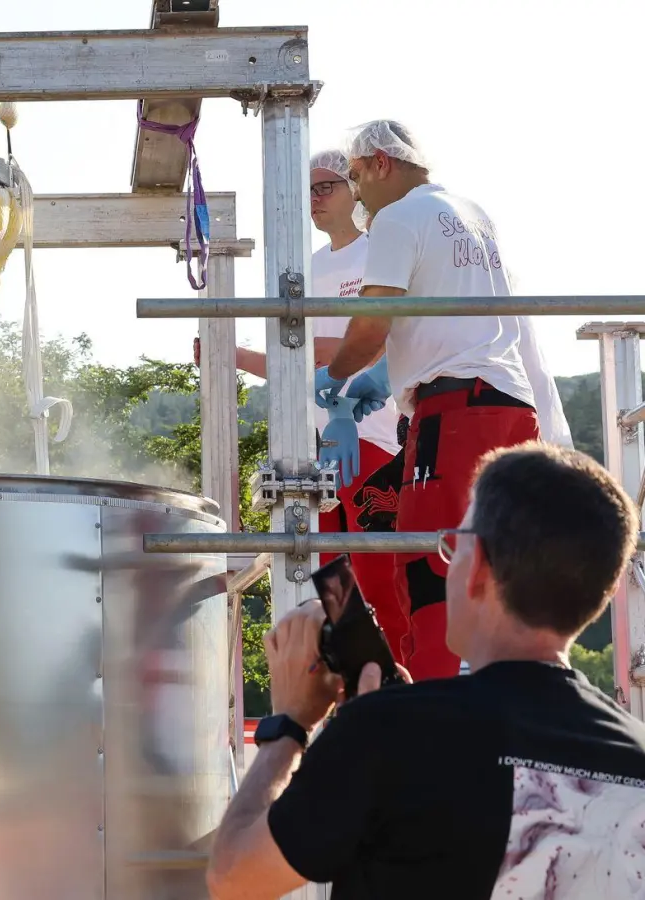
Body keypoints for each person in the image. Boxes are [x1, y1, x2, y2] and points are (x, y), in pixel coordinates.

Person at [206, 442, 643, 899]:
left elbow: (234, 877)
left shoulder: (390, 732)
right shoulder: (637, 757)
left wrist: (291, 724)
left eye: (452, 545)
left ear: (475, 567)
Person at [316, 120, 542, 681]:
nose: (358, 193)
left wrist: (335, 376)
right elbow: (450, 320)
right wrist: (386, 375)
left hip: (454, 413)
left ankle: (432, 710)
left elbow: (370, 327)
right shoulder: (470, 214)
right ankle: (506, 695)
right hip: (509, 403)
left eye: (356, 177)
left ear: (380, 164)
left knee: (426, 561)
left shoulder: (395, 219)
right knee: (500, 567)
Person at [224, 148, 409, 658]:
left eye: (326, 186)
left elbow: (359, 343)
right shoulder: (301, 269)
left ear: (356, 188)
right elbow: (294, 366)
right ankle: (353, 704)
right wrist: (235, 356)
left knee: (379, 583)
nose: (314, 199)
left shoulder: (379, 253)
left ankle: (395, 700)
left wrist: (292, 354)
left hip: (370, 438)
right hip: (317, 447)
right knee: (331, 591)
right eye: (307, 189)